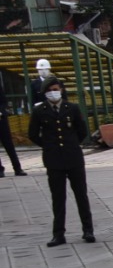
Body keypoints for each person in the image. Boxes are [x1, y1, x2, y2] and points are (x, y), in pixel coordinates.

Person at [28, 76, 93, 246]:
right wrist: (49, 146)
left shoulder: (71, 108)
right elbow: (33, 134)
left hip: (73, 157)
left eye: (55, 89)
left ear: (62, 90)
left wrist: (72, 144)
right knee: (58, 197)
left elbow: (82, 130)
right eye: (49, 90)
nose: (53, 93)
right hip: (53, 159)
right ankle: (58, 233)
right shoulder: (39, 110)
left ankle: (88, 230)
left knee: (81, 194)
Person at [0, 82, 27, 177]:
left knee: (9, 145)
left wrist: (1, 112)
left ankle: (17, 168)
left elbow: (3, 101)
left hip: (1, 120)